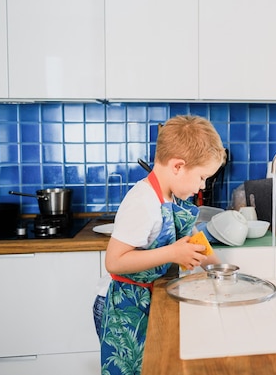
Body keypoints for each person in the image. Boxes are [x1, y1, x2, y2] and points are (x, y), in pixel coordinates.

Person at [97, 115, 226, 375]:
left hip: (148, 298)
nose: (202, 186)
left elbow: (194, 239)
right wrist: (172, 252)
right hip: (124, 308)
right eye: (202, 177)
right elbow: (114, 261)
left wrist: (221, 270)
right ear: (178, 166)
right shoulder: (142, 202)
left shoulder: (171, 195)